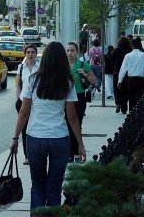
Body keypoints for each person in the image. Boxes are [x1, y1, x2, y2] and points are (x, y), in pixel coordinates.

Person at [9, 41, 86, 211]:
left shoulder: (32, 80)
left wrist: (15, 138)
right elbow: (72, 117)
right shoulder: (68, 82)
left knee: (37, 185)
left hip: (35, 138)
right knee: (54, 186)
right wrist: (80, 145)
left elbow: (23, 112)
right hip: (60, 139)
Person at [65, 41, 95, 161]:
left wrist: (84, 74)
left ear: (77, 52)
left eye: (72, 51)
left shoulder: (82, 64)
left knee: (77, 123)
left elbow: (93, 80)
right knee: (67, 123)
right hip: (66, 97)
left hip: (79, 96)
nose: (70, 53)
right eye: (67, 51)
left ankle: (76, 151)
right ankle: (69, 153)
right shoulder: (63, 65)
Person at [14, 43, 39, 165]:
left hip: (35, 102)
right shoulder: (21, 67)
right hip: (22, 101)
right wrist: (17, 98)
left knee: (33, 127)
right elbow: (18, 84)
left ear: (36, 53)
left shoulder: (40, 67)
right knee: (24, 128)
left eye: (32, 52)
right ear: (25, 54)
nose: (30, 54)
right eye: (28, 52)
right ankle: (27, 156)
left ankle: (36, 153)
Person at [118, 37, 144, 112]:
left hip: (131, 79)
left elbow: (123, 69)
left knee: (131, 97)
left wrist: (120, 80)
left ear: (132, 45)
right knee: (140, 97)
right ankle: (140, 113)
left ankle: (131, 114)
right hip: (141, 79)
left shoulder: (128, 56)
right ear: (140, 45)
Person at [112, 36, 132, 114]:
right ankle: (124, 108)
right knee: (125, 90)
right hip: (127, 74)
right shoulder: (130, 51)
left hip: (116, 72)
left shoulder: (115, 50)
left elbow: (112, 61)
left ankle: (118, 102)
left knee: (116, 89)